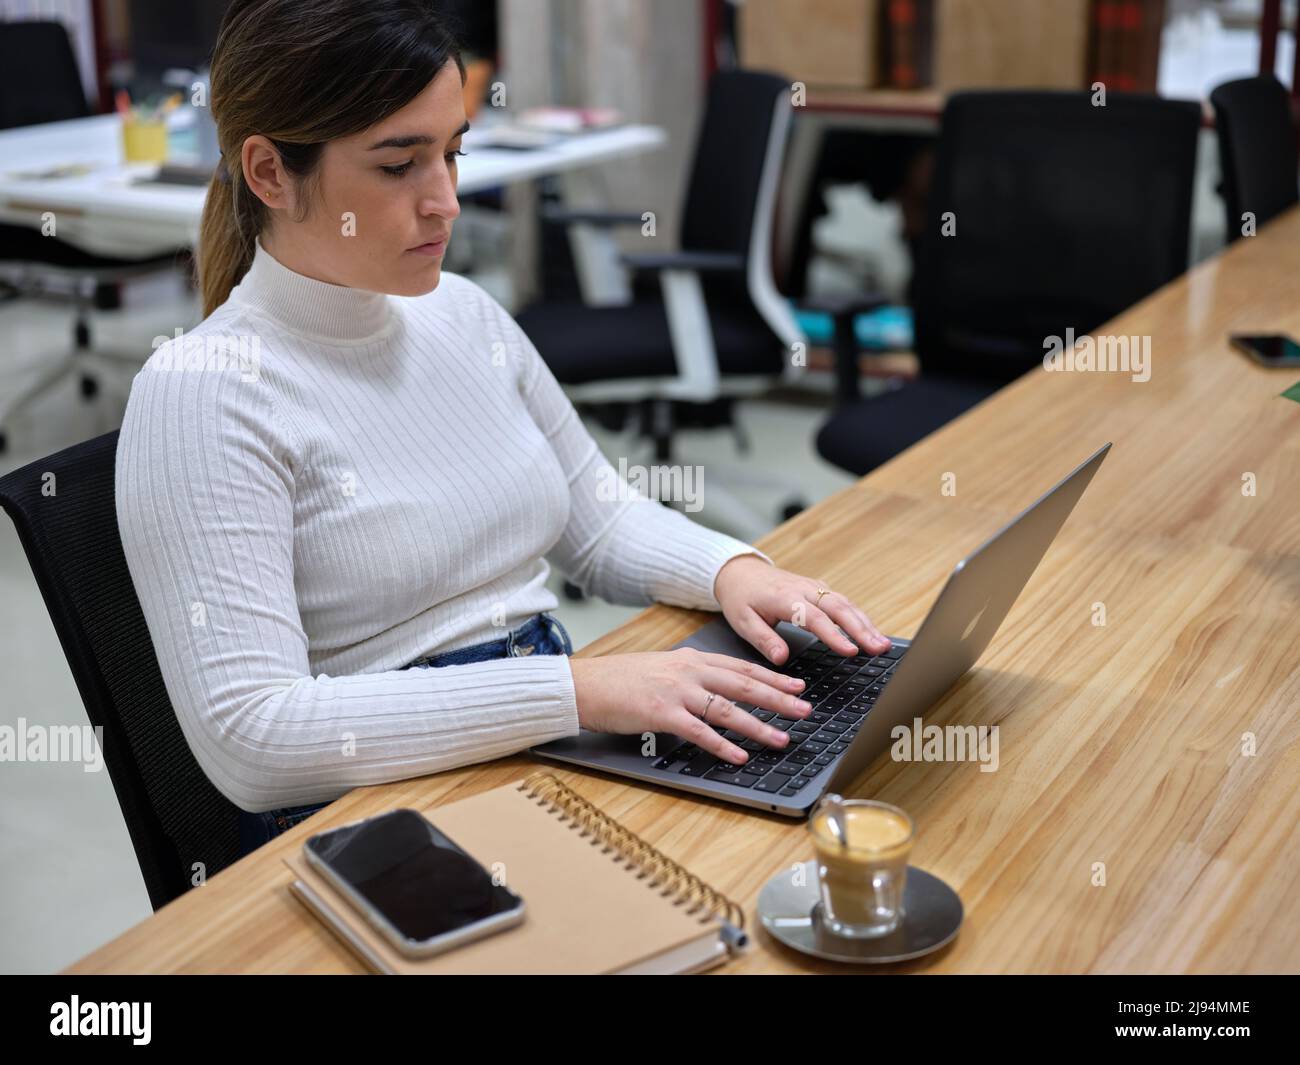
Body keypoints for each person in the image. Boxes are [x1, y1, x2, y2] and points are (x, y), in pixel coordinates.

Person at [114, 0, 891, 857]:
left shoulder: (464, 314)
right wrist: (577, 692)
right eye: (399, 165)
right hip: (374, 803)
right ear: (268, 172)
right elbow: (256, 739)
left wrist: (731, 569)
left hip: (540, 728)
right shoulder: (202, 395)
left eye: (451, 153)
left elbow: (598, 519)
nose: (445, 201)